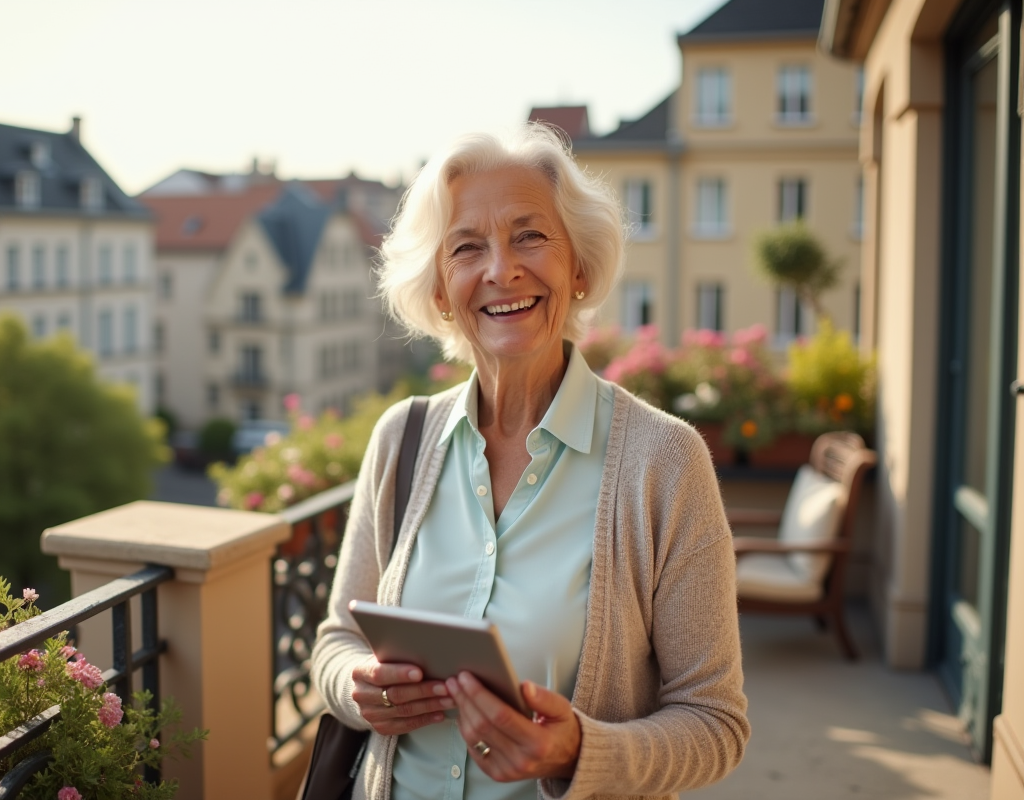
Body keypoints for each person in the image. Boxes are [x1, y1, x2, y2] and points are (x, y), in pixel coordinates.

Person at [310, 124, 748, 800]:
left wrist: (581, 750)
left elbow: (716, 724)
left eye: (530, 236)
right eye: (467, 248)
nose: (500, 269)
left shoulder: (665, 461)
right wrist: (356, 686)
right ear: (438, 290)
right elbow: (338, 640)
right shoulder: (401, 438)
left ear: (578, 266)